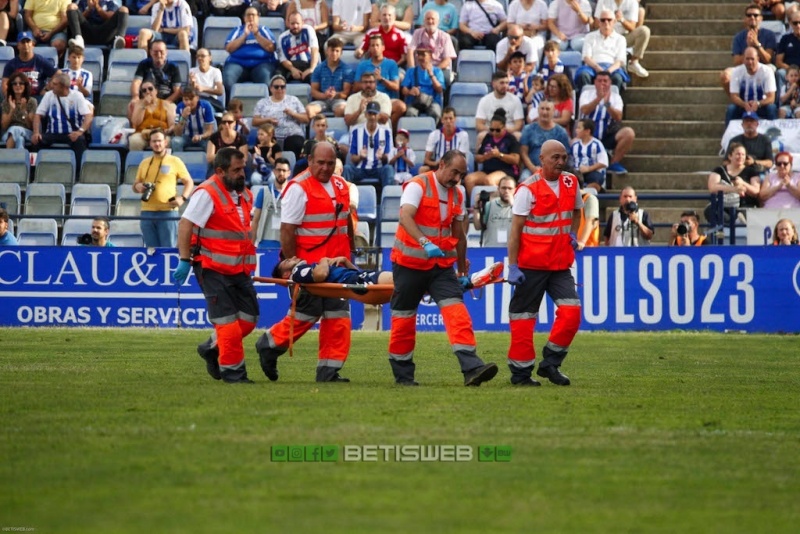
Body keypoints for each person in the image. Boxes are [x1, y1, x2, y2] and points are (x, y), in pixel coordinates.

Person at [388, 149, 498, 387]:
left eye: (461, 174)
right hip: (409, 264)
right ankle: (403, 375)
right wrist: (425, 243)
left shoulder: (457, 194)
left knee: (457, 313)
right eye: (454, 172)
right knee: (404, 321)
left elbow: (459, 234)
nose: (457, 178)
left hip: (441, 267)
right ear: (441, 164)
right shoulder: (418, 185)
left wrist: (461, 269)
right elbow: (405, 217)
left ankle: (472, 368)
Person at [255, 142, 355, 384]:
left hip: (337, 268)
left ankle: (328, 372)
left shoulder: (341, 185)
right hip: (312, 268)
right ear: (309, 160)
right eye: (320, 162)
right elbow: (287, 231)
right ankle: (269, 345)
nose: (325, 168)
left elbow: (345, 223)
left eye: (330, 163)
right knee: (304, 315)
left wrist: (351, 253)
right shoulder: (298, 188)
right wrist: (295, 267)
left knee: (338, 320)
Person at [175, 147, 258, 384]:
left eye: (243, 168)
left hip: (239, 269)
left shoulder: (245, 194)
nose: (243, 174)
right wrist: (184, 260)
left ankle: (212, 347)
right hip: (212, 268)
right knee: (228, 325)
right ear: (220, 171)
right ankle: (233, 374)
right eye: (237, 170)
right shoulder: (207, 193)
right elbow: (185, 225)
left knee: (249, 319)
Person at [506, 139, 582, 387]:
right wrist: (513, 266)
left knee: (571, 313)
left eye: (564, 157)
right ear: (541, 159)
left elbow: (578, 211)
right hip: (531, 267)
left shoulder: (571, 182)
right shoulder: (527, 189)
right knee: (523, 319)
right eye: (555, 158)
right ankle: (520, 374)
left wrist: (573, 233)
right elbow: (515, 231)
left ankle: (550, 364)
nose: (561, 162)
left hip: (560, 266)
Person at [133, 128, 194, 248]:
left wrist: (182, 198)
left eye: (159, 141)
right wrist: (138, 186)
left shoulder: (175, 161)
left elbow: (189, 182)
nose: (157, 144)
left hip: (168, 211)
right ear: (150, 143)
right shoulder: (144, 163)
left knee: (168, 249)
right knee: (151, 250)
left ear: (165, 142)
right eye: (154, 141)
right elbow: (135, 185)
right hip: (147, 211)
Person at [32, 72, 92, 177]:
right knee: (36, 141)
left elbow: (88, 116)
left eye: (55, 84)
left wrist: (80, 131)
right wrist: (36, 132)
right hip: (52, 133)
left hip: (71, 133)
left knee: (79, 142)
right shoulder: (48, 95)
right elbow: (38, 115)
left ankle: (78, 174)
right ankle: (34, 172)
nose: (52, 86)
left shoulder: (77, 96)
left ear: (63, 86)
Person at [578, 70, 636, 174]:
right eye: (599, 81)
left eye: (605, 81)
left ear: (610, 83)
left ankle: (613, 163)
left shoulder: (616, 97)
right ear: (595, 82)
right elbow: (585, 110)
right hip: (587, 133)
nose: (602, 84)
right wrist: (598, 99)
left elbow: (618, 117)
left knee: (629, 133)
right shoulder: (586, 94)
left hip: (607, 133)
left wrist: (607, 104)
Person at [720, 5, 777, 96]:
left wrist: (757, 45)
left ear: (761, 18)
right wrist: (749, 48)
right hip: (744, 67)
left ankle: (767, 101)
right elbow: (736, 61)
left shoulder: (769, 35)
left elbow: (768, 59)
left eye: (755, 15)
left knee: (771, 69)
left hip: (764, 66)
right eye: (749, 15)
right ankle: (737, 103)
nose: (752, 17)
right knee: (725, 75)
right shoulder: (738, 37)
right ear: (745, 18)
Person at [222, 6, 278, 95]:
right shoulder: (238, 30)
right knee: (227, 80)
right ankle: (231, 106)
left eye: (253, 15)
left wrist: (256, 34)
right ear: (244, 18)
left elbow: (271, 48)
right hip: (238, 63)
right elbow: (229, 48)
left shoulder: (264, 30)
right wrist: (244, 35)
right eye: (248, 15)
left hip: (261, 63)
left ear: (258, 17)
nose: (251, 17)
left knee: (267, 82)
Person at [465, 109, 521, 196]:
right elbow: (477, 157)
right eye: (492, 129)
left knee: (489, 180)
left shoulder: (510, 139)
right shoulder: (488, 137)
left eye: (497, 130)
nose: (494, 132)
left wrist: (499, 155)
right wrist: (485, 157)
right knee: (469, 179)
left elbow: (516, 159)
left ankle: (495, 205)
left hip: (505, 171)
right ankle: (475, 205)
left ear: (504, 127)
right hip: (487, 171)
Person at [353, 34, 405, 127]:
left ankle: (390, 134)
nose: (375, 48)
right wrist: (368, 83)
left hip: (387, 100)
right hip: (367, 98)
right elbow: (355, 87)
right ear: (369, 48)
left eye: (377, 45)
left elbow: (396, 87)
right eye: (372, 45)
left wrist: (382, 79)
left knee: (401, 107)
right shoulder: (363, 65)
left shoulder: (391, 64)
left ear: (383, 48)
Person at [253, 74, 309, 159]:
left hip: (292, 134)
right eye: (276, 87)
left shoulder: (293, 100)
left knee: (295, 142)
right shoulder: (262, 102)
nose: (280, 89)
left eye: (282, 87)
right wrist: (268, 120)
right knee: (261, 141)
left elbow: (306, 119)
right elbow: (255, 121)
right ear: (271, 88)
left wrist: (293, 114)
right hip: (270, 135)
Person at [343, 100, 395, 191]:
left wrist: (382, 157)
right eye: (370, 113)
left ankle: (388, 200)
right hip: (360, 169)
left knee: (388, 169)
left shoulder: (386, 131)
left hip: (379, 168)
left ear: (379, 116)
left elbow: (388, 158)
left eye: (375, 114)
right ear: (366, 114)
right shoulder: (356, 131)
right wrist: (360, 157)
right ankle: (345, 199)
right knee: (347, 168)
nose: (372, 117)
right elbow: (353, 158)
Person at [574, 9, 629, 95]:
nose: (606, 22)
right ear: (599, 22)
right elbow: (586, 57)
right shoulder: (590, 36)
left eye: (609, 20)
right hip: (592, 66)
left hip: (612, 67)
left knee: (617, 78)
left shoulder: (620, 39)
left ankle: (612, 104)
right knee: (583, 75)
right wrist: (598, 68)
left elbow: (620, 61)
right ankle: (587, 102)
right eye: (603, 20)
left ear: (614, 21)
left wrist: (608, 72)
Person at [593, 0, 650, 78]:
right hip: (605, 35)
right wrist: (608, 22)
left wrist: (622, 19)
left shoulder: (632, 2)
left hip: (624, 37)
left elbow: (632, 27)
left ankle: (634, 62)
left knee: (644, 31)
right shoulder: (603, 1)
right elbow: (596, 24)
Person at [129, 39, 182, 121]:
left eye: (161, 51)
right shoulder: (144, 64)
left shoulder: (173, 66)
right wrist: (135, 97)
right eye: (155, 52)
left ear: (166, 52)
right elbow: (136, 82)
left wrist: (165, 102)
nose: (159, 54)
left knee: (173, 111)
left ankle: (171, 132)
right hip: (147, 99)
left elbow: (177, 91)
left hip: (166, 100)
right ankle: (133, 129)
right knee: (132, 105)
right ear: (150, 52)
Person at [706, 142, 758, 225]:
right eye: (738, 154)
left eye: (743, 154)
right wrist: (734, 189)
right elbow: (713, 187)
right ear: (730, 156)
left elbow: (756, 191)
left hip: (745, 206)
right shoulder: (719, 170)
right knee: (710, 210)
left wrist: (743, 183)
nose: (740, 157)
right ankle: (733, 223)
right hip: (725, 206)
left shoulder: (751, 171)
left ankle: (735, 223)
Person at [519, 100, 570, 181]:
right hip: (531, 169)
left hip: (554, 170)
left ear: (553, 112)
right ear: (538, 110)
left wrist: (552, 169)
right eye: (542, 109)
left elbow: (565, 155)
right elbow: (523, 153)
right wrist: (533, 168)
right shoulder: (528, 129)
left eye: (547, 109)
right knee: (524, 179)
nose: (544, 112)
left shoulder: (561, 132)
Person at [725, 46, 777, 124]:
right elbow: (734, 96)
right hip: (743, 106)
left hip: (761, 106)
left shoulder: (767, 71)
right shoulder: (736, 72)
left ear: (758, 59)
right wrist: (744, 104)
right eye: (747, 59)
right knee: (731, 109)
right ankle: (728, 135)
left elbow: (771, 98)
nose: (750, 62)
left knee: (772, 108)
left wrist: (758, 104)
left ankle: (773, 133)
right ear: (743, 60)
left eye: (752, 59)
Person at [307, 36, 353, 119]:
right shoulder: (319, 69)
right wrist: (325, 95)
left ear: (341, 53)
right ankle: (318, 130)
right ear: (327, 51)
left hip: (338, 100)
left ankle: (336, 131)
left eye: (337, 51)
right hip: (322, 100)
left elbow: (346, 92)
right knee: (309, 109)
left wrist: (335, 94)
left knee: (342, 109)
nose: (334, 53)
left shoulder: (347, 69)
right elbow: (313, 91)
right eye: (332, 50)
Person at [475, 70, 526, 145]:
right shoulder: (484, 100)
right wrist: (495, 130)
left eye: (507, 83)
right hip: (491, 132)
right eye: (502, 83)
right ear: (493, 84)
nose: (505, 86)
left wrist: (503, 131)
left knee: (518, 136)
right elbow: (479, 125)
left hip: (509, 132)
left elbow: (519, 125)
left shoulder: (515, 100)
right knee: (481, 136)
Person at [1, 31, 58, 96]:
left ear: (33, 44)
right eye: (23, 42)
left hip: (38, 98)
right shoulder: (11, 64)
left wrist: (47, 89)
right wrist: (10, 99)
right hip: (18, 99)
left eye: (28, 41)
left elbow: (58, 74)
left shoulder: (40, 61)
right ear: (18, 46)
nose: (25, 44)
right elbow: (5, 84)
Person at [127, 80, 176, 152]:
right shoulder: (138, 104)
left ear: (156, 91)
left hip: (160, 132)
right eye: (144, 90)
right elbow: (136, 122)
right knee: (134, 141)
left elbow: (172, 124)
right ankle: (137, 163)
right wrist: (144, 106)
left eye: (150, 89)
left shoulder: (166, 104)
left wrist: (168, 130)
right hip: (142, 133)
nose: (147, 92)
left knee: (166, 141)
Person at [252, 156, 291, 245]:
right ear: (274, 171)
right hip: (265, 242)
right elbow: (256, 220)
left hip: (286, 243)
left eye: (284, 170)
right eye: (278, 170)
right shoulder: (263, 192)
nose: (281, 173)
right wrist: (252, 243)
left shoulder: (293, 193)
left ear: (289, 173)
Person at [274, 255, 393, 284]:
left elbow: (358, 273)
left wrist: (345, 261)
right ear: (286, 274)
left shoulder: (305, 270)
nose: (294, 257)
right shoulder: (297, 272)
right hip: (359, 281)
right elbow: (321, 275)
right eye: (287, 261)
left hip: (360, 277)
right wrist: (324, 260)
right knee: (402, 282)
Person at [419, 106, 470, 174]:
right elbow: (426, 160)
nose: (448, 121)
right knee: (423, 169)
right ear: (442, 120)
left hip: (456, 168)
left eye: (450, 118)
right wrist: (436, 163)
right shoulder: (434, 135)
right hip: (438, 166)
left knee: (457, 171)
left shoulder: (463, 135)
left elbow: (462, 159)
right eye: (445, 118)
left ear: (455, 119)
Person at [410, 9, 456, 82]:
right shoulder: (417, 33)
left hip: (439, 67)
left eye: (433, 19)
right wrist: (411, 69)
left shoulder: (445, 36)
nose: (430, 21)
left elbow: (447, 59)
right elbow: (410, 51)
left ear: (438, 22)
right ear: (424, 21)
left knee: (445, 78)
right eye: (428, 19)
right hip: (420, 67)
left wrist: (433, 71)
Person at [400, 46, 444, 123]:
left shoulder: (437, 71)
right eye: (418, 54)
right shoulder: (411, 71)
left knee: (435, 112)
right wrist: (410, 91)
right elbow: (404, 90)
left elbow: (439, 89)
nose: (420, 57)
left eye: (423, 55)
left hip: (432, 101)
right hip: (415, 101)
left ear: (430, 56)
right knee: (410, 113)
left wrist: (431, 75)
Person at [277, 11, 320, 84]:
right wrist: (292, 69)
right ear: (288, 23)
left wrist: (311, 69)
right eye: (292, 23)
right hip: (292, 65)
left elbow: (315, 49)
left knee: (314, 78)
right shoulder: (282, 38)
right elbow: (283, 59)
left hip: (308, 63)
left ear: (302, 22)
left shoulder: (308, 30)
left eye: (297, 23)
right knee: (278, 75)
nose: (295, 26)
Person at [171, 85, 216, 153]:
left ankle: (208, 163)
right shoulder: (179, 108)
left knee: (209, 144)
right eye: (186, 99)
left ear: (197, 98)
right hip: (187, 137)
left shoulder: (206, 106)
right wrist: (183, 117)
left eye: (191, 99)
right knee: (176, 141)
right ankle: (179, 162)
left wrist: (200, 137)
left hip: (203, 137)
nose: (188, 102)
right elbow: (177, 133)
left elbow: (210, 131)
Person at [473, 175, 514, 247]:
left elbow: (523, 227)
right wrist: (476, 207)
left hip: (511, 252)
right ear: (498, 189)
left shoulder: (519, 208)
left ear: (515, 190)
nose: (506, 191)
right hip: (491, 251)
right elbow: (478, 226)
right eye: (503, 188)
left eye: (510, 188)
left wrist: (513, 205)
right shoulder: (489, 205)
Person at [569, 117, 608, 192]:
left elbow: (604, 162)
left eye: (579, 128)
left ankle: (586, 196)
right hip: (577, 172)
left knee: (596, 179)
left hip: (593, 172)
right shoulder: (575, 145)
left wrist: (588, 169)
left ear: (587, 131)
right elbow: (570, 160)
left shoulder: (597, 144)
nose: (576, 130)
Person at [1, 72, 37, 149]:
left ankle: (7, 157)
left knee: (16, 129)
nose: (18, 86)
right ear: (11, 86)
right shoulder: (6, 102)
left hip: (27, 133)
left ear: (25, 86)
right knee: (19, 139)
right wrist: (11, 110)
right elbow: (4, 126)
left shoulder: (32, 101)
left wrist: (24, 110)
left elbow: (30, 126)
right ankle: (20, 160)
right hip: (8, 134)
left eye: (21, 83)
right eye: (14, 83)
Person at [189, 49, 224, 113]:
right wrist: (193, 84)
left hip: (210, 101)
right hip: (196, 100)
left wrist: (203, 89)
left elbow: (220, 91)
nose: (199, 58)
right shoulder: (192, 71)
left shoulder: (216, 71)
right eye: (198, 56)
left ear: (209, 58)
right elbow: (190, 92)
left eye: (202, 56)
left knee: (205, 110)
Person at [576, 184, 599, 249]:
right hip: (571, 249)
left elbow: (591, 221)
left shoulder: (589, 199)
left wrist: (582, 242)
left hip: (588, 249)